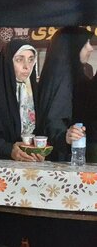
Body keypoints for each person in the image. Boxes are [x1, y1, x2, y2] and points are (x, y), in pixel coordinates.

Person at [35, 27, 94, 161]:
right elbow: (53, 119)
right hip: (66, 158)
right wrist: (64, 136)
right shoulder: (63, 79)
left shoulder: (76, 75)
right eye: (86, 44)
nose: (90, 48)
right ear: (73, 47)